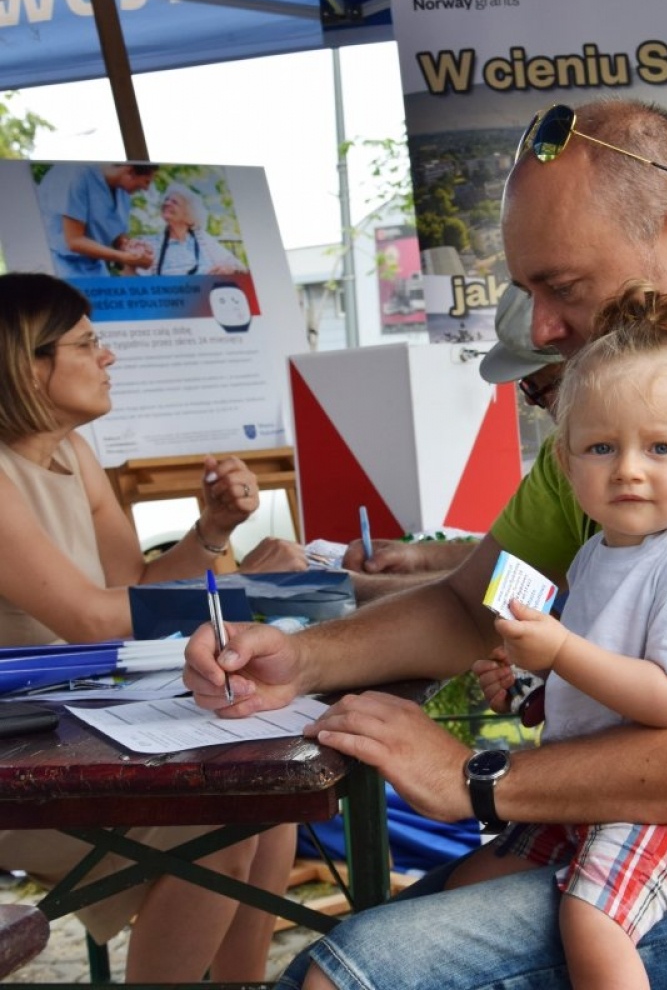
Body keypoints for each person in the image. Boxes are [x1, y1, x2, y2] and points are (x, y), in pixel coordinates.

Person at [186, 98, 667, 990]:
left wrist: (478, 781)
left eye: (564, 288)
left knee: (349, 975)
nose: (542, 328)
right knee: (380, 937)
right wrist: (300, 659)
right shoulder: (617, 412)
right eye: (531, 293)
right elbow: (469, 602)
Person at [448, 284, 667, 990]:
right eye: (600, 446)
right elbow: (584, 681)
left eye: (661, 447)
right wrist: (525, 686)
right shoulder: (594, 554)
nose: (628, 469)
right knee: (464, 883)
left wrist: (561, 652)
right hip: (590, 783)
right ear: (565, 463)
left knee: (592, 920)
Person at [0, 271, 298, 983]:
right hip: (21, 756)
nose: (108, 357)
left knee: (274, 804)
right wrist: (250, 588)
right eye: (87, 343)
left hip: (69, 724)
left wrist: (214, 531)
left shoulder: (72, 453)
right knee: (221, 828)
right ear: (25, 362)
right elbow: (90, 619)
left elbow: (132, 587)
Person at [341, 283, 561, 579]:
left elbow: (542, 579)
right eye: (528, 388)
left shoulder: (608, 467)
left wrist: (357, 589)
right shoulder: (560, 457)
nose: (534, 403)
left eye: (539, 387)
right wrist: (419, 557)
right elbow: (517, 554)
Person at [35, 162, 159, 277]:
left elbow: (112, 229)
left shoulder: (123, 191)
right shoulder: (77, 175)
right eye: (146, 181)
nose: (146, 188)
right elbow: (74, 241)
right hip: (60, 263)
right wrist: (123, 257)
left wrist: (129, 246)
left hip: (93, 267)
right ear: (130, 171)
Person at [139, 185, 247, 277]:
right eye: (166, 200)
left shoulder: (202, 239)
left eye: (174, 202)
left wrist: (227, 269)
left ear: (188, 213)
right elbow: (139, 281)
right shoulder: (151, 243)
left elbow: (239, 267)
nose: (167, 203)